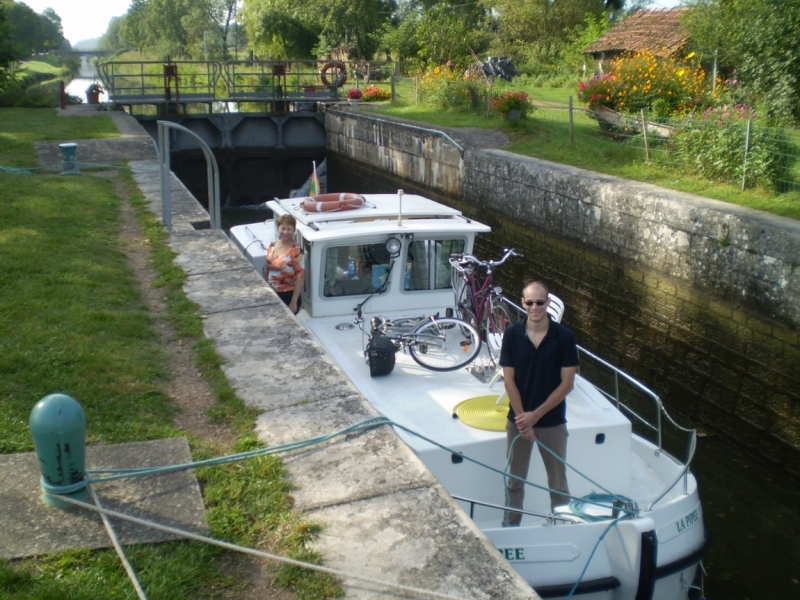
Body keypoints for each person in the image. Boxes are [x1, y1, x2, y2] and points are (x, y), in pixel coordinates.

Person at [499, 281, 579, 526]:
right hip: (519, 422)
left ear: (548, 303)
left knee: (558, 483)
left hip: (552, 423)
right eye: (529, 302)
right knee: (514, 480)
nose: (535, 307)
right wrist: (524, 419)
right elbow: (509, 380)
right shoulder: (512, 334)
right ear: (523, 303)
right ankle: (511, 526)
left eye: (540, 302)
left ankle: (562, 525)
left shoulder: (564, 337)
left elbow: (567, 383)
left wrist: (536, 416)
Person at [264, 214, 305, 314]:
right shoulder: (272, 245)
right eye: (283, 228)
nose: (285, 232)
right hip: (272, 293)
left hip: (288, 294)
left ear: (294, 230)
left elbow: (301, 276)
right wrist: (264, 287)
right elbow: (267, 267)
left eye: (289, 229)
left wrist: (293, 302)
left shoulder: (296, 250)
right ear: (278, 228)